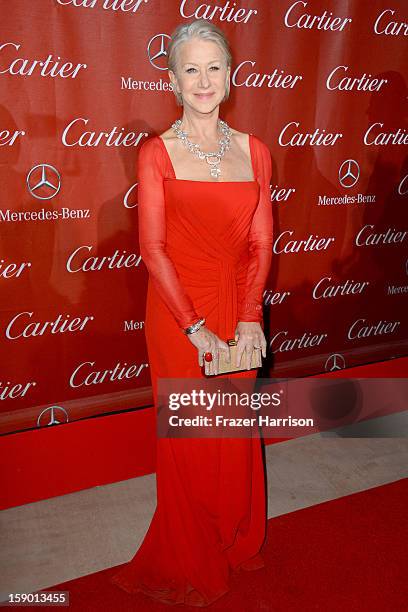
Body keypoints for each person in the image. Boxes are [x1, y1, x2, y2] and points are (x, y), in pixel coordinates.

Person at [110, 18, 273, 607]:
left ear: (228, 76)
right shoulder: (158, 153)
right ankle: (191, 547)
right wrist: (194, 326)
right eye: (190, 69)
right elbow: (152, 248)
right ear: (174, 83)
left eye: (213, 67)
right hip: (180, 314)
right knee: (190, 437)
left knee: (230, 431)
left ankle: (233, 535)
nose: (203, 80)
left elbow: (262, 242)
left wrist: (251, 315)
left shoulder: (256, 150)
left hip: (238, 306)